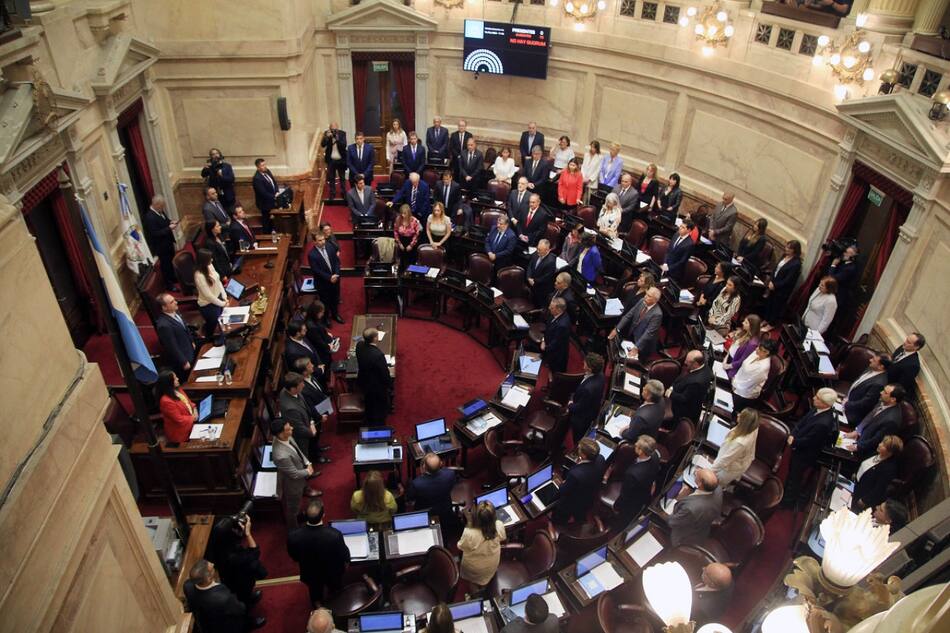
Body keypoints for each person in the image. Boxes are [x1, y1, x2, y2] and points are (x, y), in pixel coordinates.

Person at [782, 388, 839, 508]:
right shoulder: (818, 409)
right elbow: (803, 422)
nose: (813, 398)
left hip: (805, 454)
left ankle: (787, 502)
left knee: (795, 478)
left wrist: (794, 441)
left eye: (817, 398)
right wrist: (793, 433)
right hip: (798, 444)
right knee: (791, 474)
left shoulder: (823, 423)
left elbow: (810, 441)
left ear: (825, 403)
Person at [287, 500, 350, 607]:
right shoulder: (334, 534)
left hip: (310, 573)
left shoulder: (293, 536)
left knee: (315, 593)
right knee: (336, 590)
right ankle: (337, 606)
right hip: (332, 572)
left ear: (305, 515)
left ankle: (318, 607)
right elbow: (344, 554)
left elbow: (294, 556)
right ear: (323, 515)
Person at [183, 559, 265, 632]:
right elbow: (240, 609)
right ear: (208, 578)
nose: (213, 564)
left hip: (207, 623)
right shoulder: (223, 598)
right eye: (212, 569)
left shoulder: (187, 586)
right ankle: (249, 624)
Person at [207, 515, 266, 608]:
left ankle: (249, 598)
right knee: (242, 600)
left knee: (242, 595)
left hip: (227, 578)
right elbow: (255, 553)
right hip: (240, 581)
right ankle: (248, 619)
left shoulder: (216, 544)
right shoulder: (234, 557)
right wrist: (248, 534)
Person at [271, 419, 320, 529]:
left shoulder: (286, 437)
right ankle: (294, 528)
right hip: (292, 485)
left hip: (300, 474)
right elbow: (294, 474)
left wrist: (307, 462)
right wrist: (308, 471)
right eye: (288, 429)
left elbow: (297, 450)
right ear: (280, 433)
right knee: (293, 508)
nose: (292, 428)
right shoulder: (280, 455)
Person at [843, 384, 904, 459]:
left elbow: (876, 440)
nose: (881, 392)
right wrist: (857, 431)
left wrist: (857, 446)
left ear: (893, 399)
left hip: (864, 451)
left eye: (885, 392)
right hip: (859, 437)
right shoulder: (884, 402)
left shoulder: (891, 421)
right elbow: (869, 417)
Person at [553, 438, 606, 524]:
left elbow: (563, 490)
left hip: (572, 502)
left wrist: (562, 484)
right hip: (589, 497)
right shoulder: (601, 459)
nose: (577, 449)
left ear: (584, 455)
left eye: (579, 449)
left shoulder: (576, 474)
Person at [458, 501, 506, 592]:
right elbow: (503, 537)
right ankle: (483, 588)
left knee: (473, 583)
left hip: (474, 568)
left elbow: (461, 546)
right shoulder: (499, 525)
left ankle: (475, 594)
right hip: (492, 564)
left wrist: (469, 522)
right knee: (484, 580)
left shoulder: (469, 533)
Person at [279, 371, 328, 462]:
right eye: (301, 384)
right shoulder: (290, 409)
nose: (303, 386)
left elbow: (305, 405)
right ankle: (311, 467)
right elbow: (299, 429)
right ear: (293, 389)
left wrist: (312, 421)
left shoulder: (291, 390)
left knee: (314, 443)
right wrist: (312, 431)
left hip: (308, 422)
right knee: (307, 454)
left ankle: (317, 450)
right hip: (303, 436)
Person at [612, 435, 661, 524]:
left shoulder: (632, 474)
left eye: (637, 446)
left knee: (621, 520)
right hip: (644, 493)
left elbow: (625, 494)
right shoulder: (655, 456)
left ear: (641, 452)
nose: (635, 445)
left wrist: (616, 507)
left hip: (631, 503)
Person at [668, 468, 722, 546]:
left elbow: (672, 522)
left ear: (700, 484)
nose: (696, 471)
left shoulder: (691, 509)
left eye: (697, 474)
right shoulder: (718, 489)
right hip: (702, 526)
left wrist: (678, 500)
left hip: (683, 538)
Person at [609, 287, 663, 361]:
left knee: (632, 362)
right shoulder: (642, 301)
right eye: (646, 294)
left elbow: (648, 333)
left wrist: (636, 347)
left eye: (649, 296)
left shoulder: (657, 314)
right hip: (632, 335)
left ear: (655, 300)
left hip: (644, 344)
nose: (645, 297)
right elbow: (628, 315)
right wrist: (617, 329)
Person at [852, 435, 903, 512]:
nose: (880, 444)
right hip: (854, 485)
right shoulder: (876, 453)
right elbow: (863, 464)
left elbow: (879, 490)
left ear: (890, 453)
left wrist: (864, 500)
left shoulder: (889, 469)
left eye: (884, 446)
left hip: (861, 498)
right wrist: (856, 473)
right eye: (882, 442)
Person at [711, 408, 759, 487]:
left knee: (715, 485)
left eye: (741, 416)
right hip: (741, 460)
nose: (738, 415)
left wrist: (708, 472)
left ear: (744, 422)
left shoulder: (740, 443)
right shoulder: (754, 427)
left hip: (729, 469)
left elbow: (725, 460)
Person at [407, 453, 458, 528]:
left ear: (424, 466)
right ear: (440, 464)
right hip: (445, 509)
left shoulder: (417, 483)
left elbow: (410, 499)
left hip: (426, 514)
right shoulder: (450, 474)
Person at [155, 292, 197, 380]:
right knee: (190, 379)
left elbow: (185, 328)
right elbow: (171, 346)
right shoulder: (163, 325)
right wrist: (183, 361)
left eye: (174, 300)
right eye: (171, 302)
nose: (176, 302)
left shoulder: (175, 311)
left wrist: (192, 341)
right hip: (184, 358)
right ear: (164, 307)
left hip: (190, 349)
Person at [762, 240, 802, 329]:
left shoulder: (796, 264)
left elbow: (788, 280)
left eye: (789, 248)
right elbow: (775, 269)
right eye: (786, 246)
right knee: (769, 303)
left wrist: (775, 285)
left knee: (776, 306)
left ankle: (771, 324)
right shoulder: (784, 256)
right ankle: (766, 319)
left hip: (782, 289)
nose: (786, 249)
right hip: (773, 284)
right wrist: (771, 281)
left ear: (794, 250)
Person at [356, 327, 392, 425]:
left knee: (369, 404)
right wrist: (389, 385)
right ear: (375, 338)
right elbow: (384, 374)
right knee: (378, 409)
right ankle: (378, 424)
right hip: (376, 388)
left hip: (363, 382)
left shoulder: (359, 345)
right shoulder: (378, 355)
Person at [843, 352, 891, 425]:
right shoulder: (871, 368)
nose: (870, 360)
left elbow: (865, 403)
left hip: (852, 414)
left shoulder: (879, 384)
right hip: (847, 402)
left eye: (874, 360)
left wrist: (847, 404)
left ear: (881, 366)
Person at [568, 353, 606, 442]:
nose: (583, 363)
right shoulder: (601, 375)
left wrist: (570, 405)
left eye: (585, 363)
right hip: (592, 409)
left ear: (590, 368)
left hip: (581, 419)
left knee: (578, 439)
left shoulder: (588, 389)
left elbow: (580, 407)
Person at [668, 349, 714, 424]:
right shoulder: (705, 366)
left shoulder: (696, 382)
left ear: (695, 363)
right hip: (685, 389)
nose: (685, 362)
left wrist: (669, 393)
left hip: (683, 410)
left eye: (687, 362)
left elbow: (683, 398)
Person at [143, 194, 179, 288]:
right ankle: (169, 284)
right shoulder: (150, 217)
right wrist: (169, 228)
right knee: (165, 265)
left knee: (170, 262)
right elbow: (155, 233)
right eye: (162, 206)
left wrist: (171, 222)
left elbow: (165, 221)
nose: (163, 208)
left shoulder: (160, 211)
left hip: (168, 243)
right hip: (161, 246)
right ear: (157, 204)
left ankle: (173, 277)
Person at [730, 340, 776, 413]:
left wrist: (735, 385)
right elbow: (743, 366)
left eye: (760, 349)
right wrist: (735, 379)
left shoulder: (763, 368)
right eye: (758, 347)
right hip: (737, 382)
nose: (756, 349)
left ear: (766, 352)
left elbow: (749, 383)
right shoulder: (757, 353)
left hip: (745, 393)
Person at [308, 232, 343, 324]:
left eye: (323, 239)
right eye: (320, 240)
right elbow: (316, 270)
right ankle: (326, 318)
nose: (323, 242)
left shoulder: (330, 247)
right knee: (325, 301)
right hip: (323, 283)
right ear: (314, 242)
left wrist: (336, 274)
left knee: (335, 298)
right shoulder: (312, 255)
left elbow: (336, 261)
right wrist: (329, 277)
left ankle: (335, 314)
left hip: (335, 279)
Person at [195, 247, 228, 340]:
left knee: (225, 324)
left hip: (219, 298)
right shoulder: (199, 276)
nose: (212, 260)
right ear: (204, 261)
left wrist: (224, 296)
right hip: (209, 306)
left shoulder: (209, 265)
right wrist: (222, 303)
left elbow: (218, 281)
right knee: (215, 327)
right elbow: (208, 296)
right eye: (210, 259)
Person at [156, 369, 196, 444]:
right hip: (180, 431)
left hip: (191, 420)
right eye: (175, 379)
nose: (178, 379)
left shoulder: (178, 389)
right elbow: (179, 419)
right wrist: (193, 418)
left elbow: (188, 402)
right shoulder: (166, 401)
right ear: (168, 383)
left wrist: (195, 409)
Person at [723, 314, 762, 381]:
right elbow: (732, 347)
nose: (743, 323)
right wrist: (725, 359)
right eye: (744, 321)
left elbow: (742, 361)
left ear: (752, 326)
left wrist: (727, 366)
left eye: (746, 323)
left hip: (733, 367)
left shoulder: (752, 344)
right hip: (728, 360)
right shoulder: (743, 332)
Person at [541, 297, 570, 374]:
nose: (549, 308)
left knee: (554, 373)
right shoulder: (554, 314)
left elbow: (555, 343)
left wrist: (545, 348)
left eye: (551, 307)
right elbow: (548, 329)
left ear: (559, 310)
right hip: (550, 345)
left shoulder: (562, 325)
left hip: (557, 354)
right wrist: (543, 340)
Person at [304, 301, 338, 368]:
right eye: (321, 312)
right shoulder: (312, 327)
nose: (322, 314)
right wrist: (328, 347)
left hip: (323, 341)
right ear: (315, 312)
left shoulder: (313, 319)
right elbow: (319, 342)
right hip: (321, 352)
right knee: (327, 364)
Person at [251, 158, 279, 233]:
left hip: (273, 199)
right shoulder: (257, 178)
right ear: (258, 167)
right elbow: (263, 193)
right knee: (266, 220)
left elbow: (274, 182)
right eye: (262, 165)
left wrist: (277, 191)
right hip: (265, 203)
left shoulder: (267, 171)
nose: (265, 166)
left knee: (274, 219)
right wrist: (274, 197)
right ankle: (267, 234)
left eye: (265, 164)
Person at [320, 123, 348, 199]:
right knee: (331, 177)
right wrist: (326, 137)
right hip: (331, 159)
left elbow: (344, 145)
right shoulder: (327, 133)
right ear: (330, 129)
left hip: (341, 159)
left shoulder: (342, 133)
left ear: (338, 128)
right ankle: (332, 193)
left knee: (342, 177)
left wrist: (337, 138)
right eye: (332, 130)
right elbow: (322, 145)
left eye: (335, 129)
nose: (333, 131)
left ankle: (344, 192)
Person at [526, 239, 556, 308]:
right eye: (537, 248)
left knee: (537, 305)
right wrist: (528, 277)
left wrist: (534, 281)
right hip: (532, 283)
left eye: (540, 250)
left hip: (541, 289)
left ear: (547, 250)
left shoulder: (550, 262)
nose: (537, 251)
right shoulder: (537, 253)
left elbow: (546, 277)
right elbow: (530, 265)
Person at [393, 204, 423, 270]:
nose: (403, 215)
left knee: (411, 261)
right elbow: (395, 232)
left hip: (411, 241)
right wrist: (399, 243)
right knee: (402, 261)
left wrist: (411, 245)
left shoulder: (414, 221)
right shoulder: (398, 219)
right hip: (401, 241)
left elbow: (417, 234)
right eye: (402, 213)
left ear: (409, 213)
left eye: (405, 213)